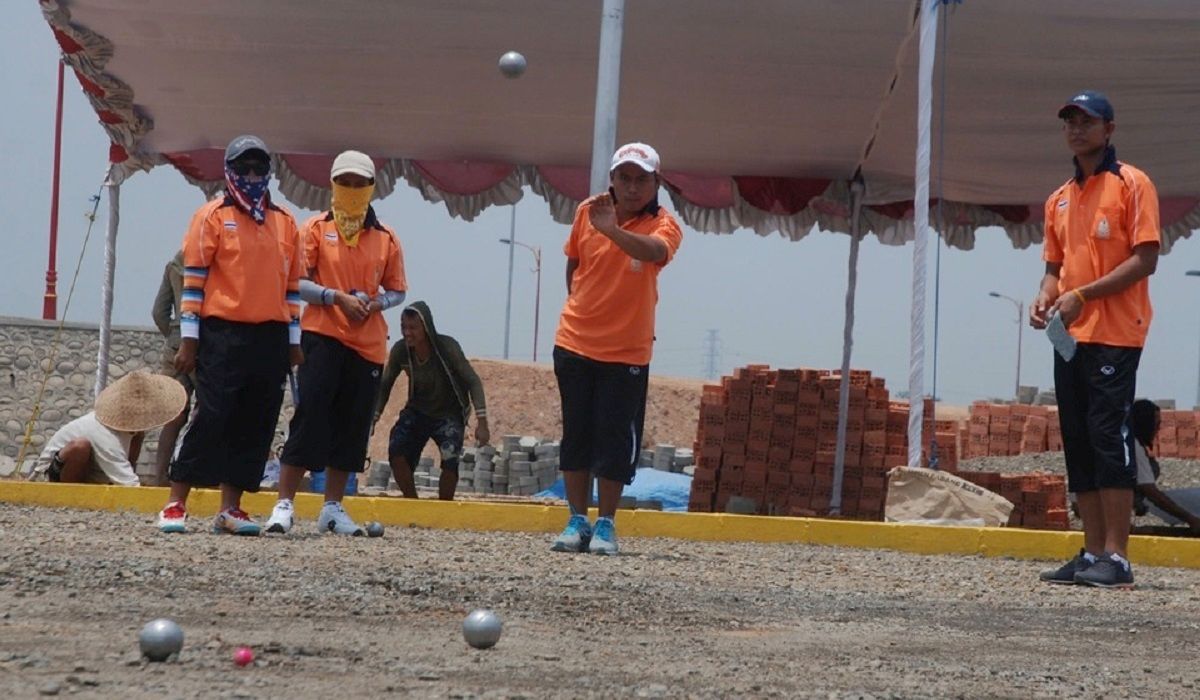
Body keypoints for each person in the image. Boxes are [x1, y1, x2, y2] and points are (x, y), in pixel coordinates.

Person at [1033, 92, 1160, 588]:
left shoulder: (1132, 183)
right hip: (1071, 337)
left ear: (1108, 129)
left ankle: (1118, 556)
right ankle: (1090, 552)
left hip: (1116, 334)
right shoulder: (1059, 198)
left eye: (1086, 121)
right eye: (1069, 120)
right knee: (1079, 439)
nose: (1076, 128)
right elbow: (1053, 270)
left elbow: (1145, 259)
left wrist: (1082, 294)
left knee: (1110, 436)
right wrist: (1045, 298)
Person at [157, 134, 304, 535]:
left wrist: (294, 343)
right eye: (244, 168)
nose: (252, 175)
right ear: (229, 171)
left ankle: (230, 507)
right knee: (213, 415)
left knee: (256, 420)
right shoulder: (211, 216)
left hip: (270, 335)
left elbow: (291, 290)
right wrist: (189, 339)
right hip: (222, 332)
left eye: (259, 168)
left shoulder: (286, 223)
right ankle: (175, 501)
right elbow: (193, 283)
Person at [549, 142, 683, 555]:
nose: (632, 186)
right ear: (612, 179)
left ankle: (606, 523)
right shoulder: (587, 210)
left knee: (614, 440)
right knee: (576, 436)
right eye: (624, 177)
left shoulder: (664, 223)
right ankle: (576, 520)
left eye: (642, 179)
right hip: (575, 342)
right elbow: (573, 262)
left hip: (626, 351)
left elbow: (656, 253)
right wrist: (582, 303)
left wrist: (613, 231)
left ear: (656, 182)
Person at [264, 150, 407, 535]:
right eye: (345, 182)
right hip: (323, 337)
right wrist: (335, 297)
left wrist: (375, 303)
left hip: (368, 344)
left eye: (360, 183)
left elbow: (397, 291)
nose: (352, 189)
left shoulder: (385, 237)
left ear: (372, 187)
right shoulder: (313, 229)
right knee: (310, 416)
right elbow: (297, 282)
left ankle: (333, 506)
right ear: (332, 184)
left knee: (352, 423)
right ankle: (284, 504)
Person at [374, 302, 489, 501]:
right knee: (397, 450)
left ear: (426, 327)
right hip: (418, 411)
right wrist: (373, 418)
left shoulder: (447, 348)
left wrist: (482, 422)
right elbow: (385, 384)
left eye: (412, 328)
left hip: (448, 414)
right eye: (403, 327)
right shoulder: (401, 351)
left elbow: (472, 380)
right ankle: (412, 503)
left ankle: (443, 508)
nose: (407, 333)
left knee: (450, 460)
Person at [27, 371, 186, 485]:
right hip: (52, 473)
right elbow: (126, 479)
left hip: (92, 470)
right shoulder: (103, 434)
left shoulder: (134, 432)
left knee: (138, 435)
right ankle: (72, 489)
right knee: (80, 446)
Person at [150, 250, 194, 486]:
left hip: (176, 341)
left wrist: (173, 334)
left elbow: (159, 312)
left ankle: (160, 475)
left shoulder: (175, 264)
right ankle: (197, 471)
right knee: (207, 411)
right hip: (208, 341)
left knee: (174, 413)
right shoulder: (215, 258)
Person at [1129, 400, 1200, 532]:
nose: (1157, 429)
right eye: (1155, 424)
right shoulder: (1134, 447)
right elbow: (1151, 492)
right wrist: (1191, 519)